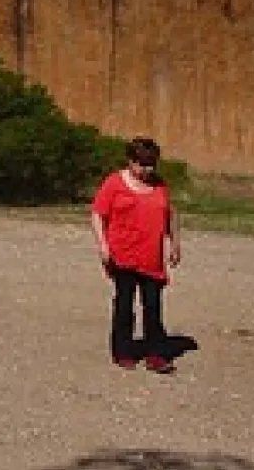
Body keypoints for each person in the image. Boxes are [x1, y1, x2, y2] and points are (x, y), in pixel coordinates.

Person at [90, 137, 182, 374]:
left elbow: (169, 215)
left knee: (152, 306)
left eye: (151, 164)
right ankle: (123, 350)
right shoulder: (114, 183)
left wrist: (174, 243)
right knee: (124, 304)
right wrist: (103, 245)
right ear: (131, 162)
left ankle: (155, 353)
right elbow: (98, 214)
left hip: (150, 257)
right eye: (142, 164)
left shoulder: (159, 185)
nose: (147, 169)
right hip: (123, 255)